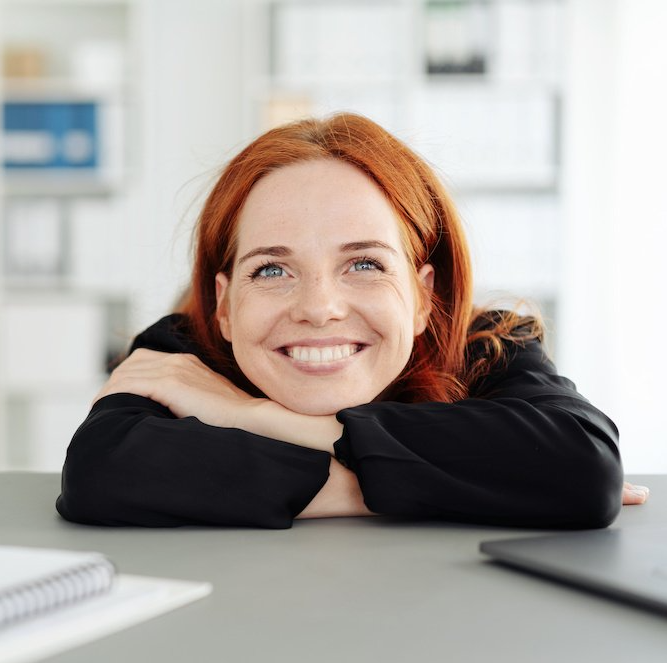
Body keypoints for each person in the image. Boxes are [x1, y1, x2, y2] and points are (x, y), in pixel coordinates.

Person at [56, 113, 647, 529]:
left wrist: (248, 416)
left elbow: (583, 468)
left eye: (363, 263)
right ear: (225, 305)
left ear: (421, 297)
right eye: (270, 270)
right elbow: (101, 472)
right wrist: (467, 486)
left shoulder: (486, 344)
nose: (319, 307)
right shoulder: (183, 353)